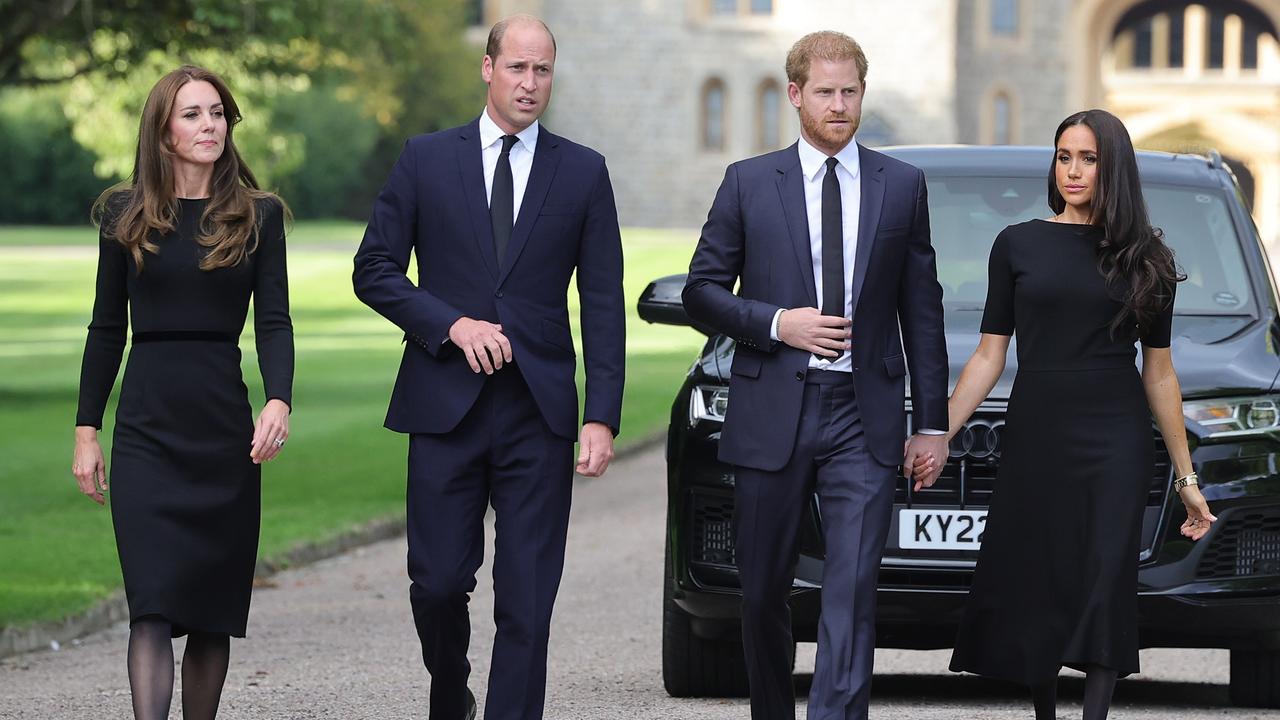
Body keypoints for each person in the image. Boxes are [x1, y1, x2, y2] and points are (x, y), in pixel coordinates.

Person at [351, 14, 625, 720]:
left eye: (543, 71)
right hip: (443, 406)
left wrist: (601, 415)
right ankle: (451, 687)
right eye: (517, 68)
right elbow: (374, 269)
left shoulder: (584, 171)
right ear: (488, 68)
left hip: (538, 413)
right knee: (438, 585)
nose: (530, 84)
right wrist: (450, 324)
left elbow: (602, 302)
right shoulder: (425, 159)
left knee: (528, 598)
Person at [682, 30, 949, 720]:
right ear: (796, 94)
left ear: (864, 91)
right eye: (825, 92)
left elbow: (923, 312)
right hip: (773, 406)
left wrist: (933, 426)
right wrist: (779, 324)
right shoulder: (748, 182)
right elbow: (702, 292)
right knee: (762, 589)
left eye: (850, 91)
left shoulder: (902, 186)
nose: (839, 104)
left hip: (864, 414)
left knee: (852, 587)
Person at [943, 109, 1216, 720]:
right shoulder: (1017, 244)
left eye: (1088, 159)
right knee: (1041, 575)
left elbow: (1160, 372)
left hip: (1114, 437)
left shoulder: (1147, 258)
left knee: (1104, 575)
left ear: (1112, 166)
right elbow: (990, 355)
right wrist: (941, 432)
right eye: (1064, 156)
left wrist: (1186, 478)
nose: (1072, 170)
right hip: (1038, 429)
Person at [71, 65, 293, 720]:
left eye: (218, 113)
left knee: (211, 612)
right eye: (193, 114)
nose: (209, 126)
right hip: (146, 427)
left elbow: (274, 321)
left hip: (222, 427)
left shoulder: (259, 216)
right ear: (163, 131)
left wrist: (278, 398)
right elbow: (107, 328)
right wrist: (87, 429)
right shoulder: (123, 214)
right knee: (152, 604)